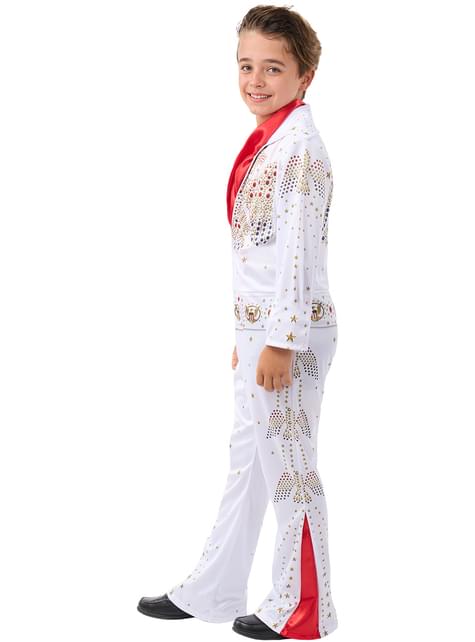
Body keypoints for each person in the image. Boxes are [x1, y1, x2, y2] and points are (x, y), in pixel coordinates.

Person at [137, 5, 339, 640]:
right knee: (247, 463)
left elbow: (299, 251)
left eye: (273, 68)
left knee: (290, 468)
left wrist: (279, 340)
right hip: (261, 331)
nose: (256, 80)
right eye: (246, 65)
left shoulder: (299, 149)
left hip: (288, 335)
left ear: (304, 76)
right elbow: (263, 251)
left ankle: (303, 608)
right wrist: (248, 336)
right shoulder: (268, 142)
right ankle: (214, 589)